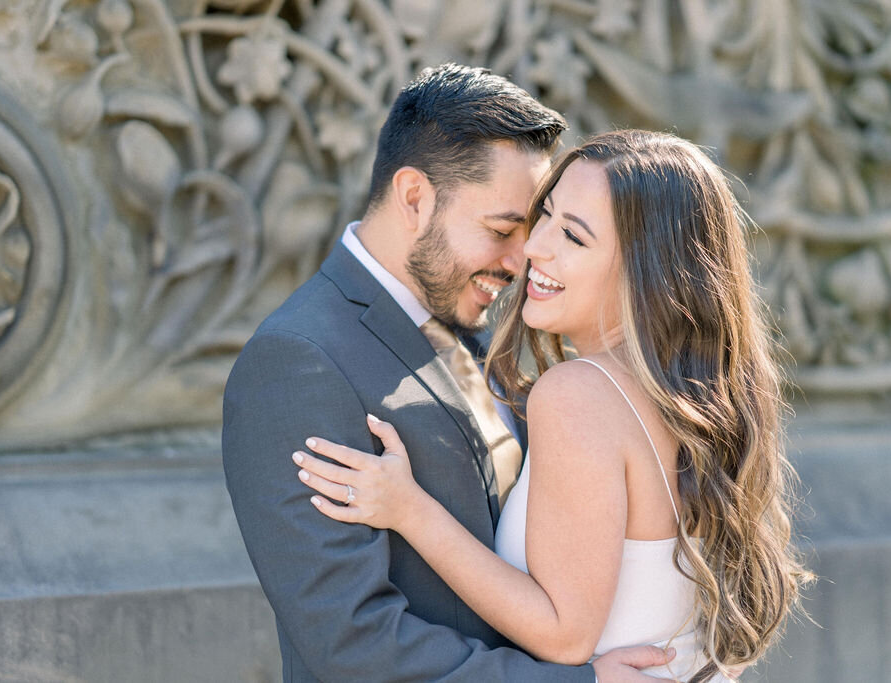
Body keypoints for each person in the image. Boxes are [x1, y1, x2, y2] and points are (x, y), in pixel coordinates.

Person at [294, 130, 811, 681]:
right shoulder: (701, 400)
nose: (534, 247)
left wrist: (407, 508)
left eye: (574, 237)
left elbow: (565, 634)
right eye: (547, 215)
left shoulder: (579, 395)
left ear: (647, 273)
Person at [222, 65, 678, 682]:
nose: (524, 259)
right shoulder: (296, 362)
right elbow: (352, 644)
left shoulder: (483, 332)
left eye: (540, 227)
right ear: (415, 197)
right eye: (502, 229)